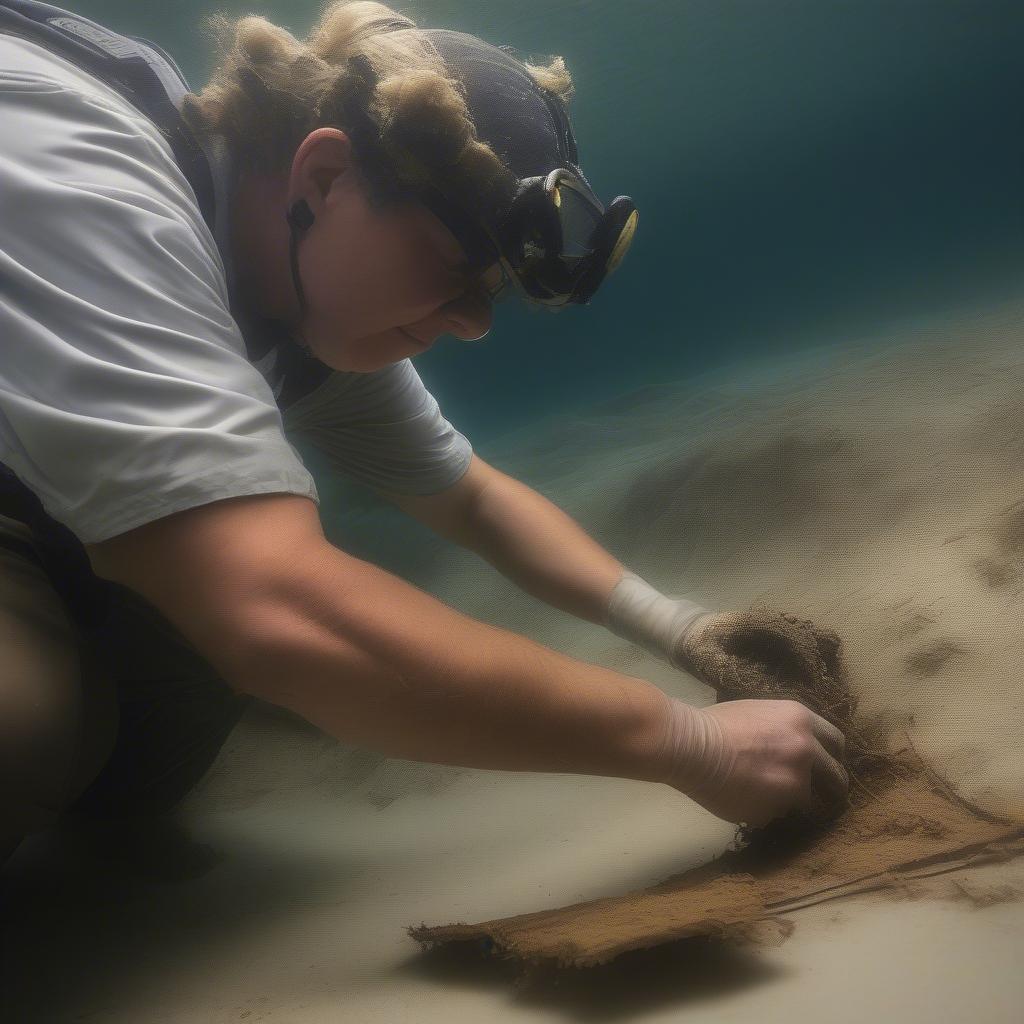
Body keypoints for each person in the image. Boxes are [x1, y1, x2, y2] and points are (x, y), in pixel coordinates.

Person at [0, 0, 849, 869]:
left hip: (48, 513)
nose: (475, 323)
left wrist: (685, 629)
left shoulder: (284, 271)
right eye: (454, 269)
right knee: (27, 724)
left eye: (490, 288)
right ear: (325, 178)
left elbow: (470, 500)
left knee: (152, 756)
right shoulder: (80, 176)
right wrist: (685, 743)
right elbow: (272, 607)